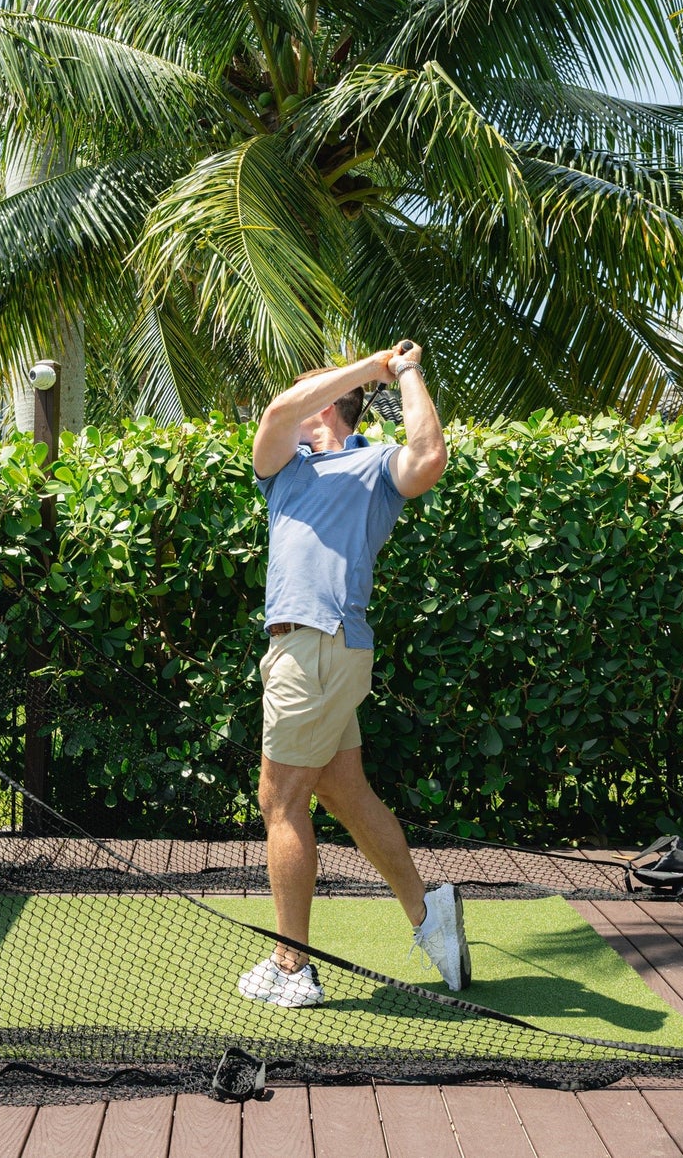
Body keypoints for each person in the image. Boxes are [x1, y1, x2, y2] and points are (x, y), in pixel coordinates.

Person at [238, 341, 467, 1008]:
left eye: (313, 397)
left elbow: (428, 457)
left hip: (316, 648)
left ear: (330, 409)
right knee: (343, 790)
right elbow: (280, 411)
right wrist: (372, 368)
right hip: (318, 653)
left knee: (279, 801)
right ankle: (430, 914)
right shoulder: (283, 467)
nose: (294, 405)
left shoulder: (374, 466)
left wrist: (407, 372)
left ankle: (292, 968)